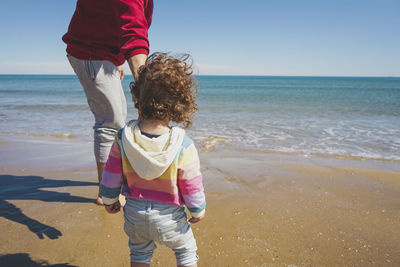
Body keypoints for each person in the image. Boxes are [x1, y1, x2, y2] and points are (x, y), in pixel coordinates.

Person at [100, 53, 206, 267]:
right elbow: (191, 183)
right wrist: (197, 210)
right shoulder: (181, 143)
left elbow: (111, 175)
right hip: (170, 218)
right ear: (179, 103)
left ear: (138, 97)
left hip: (135, 213)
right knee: (185, 252)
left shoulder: (123, 137)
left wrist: (109, 200)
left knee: (140, 253)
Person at [62, 0, 153, 205]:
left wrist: (118, 59)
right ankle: (106, 193)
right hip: (90, 52)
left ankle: (113, 178)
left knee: (118, 119)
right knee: (110, 122)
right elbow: (134, 32)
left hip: (106, 53)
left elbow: (125, 20)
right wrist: (145, 91)